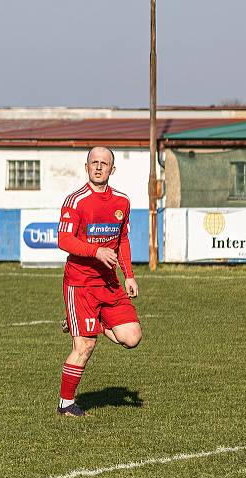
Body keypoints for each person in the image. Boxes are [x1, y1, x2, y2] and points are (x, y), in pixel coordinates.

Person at [56, 146, 142, 417]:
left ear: (112, 169)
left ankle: (84, 321)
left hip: (109, 283)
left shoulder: (122, 202)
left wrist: (128, 275)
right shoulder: (75, 201)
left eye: (104, 163)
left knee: (131, 337)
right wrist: (95, 250)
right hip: (80, 284)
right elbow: (64, 240)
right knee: (85, 346)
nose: (98, 167)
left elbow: (123, 240)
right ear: (86, 167)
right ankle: (66, 404)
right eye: (94, 162)